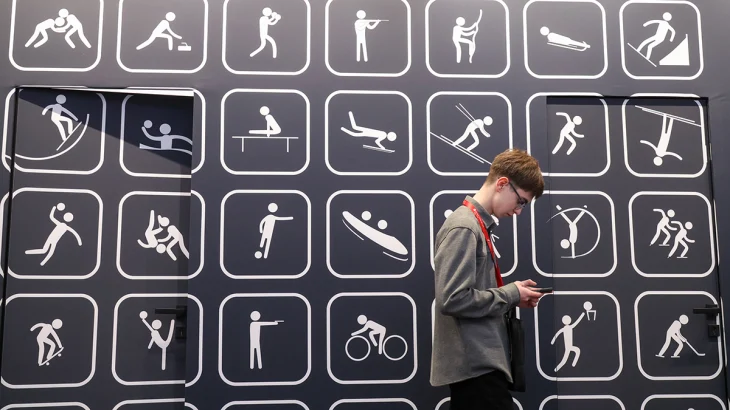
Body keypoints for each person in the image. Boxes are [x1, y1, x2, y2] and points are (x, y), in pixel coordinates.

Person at [431, 148, 546, 410]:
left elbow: (467, 295)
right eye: (521, 201)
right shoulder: (464, 226)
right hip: (476, 367)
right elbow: (453, 299)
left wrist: (514, 296)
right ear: (502, 184)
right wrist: (511, 294)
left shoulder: (473, 225)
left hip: (480, 366)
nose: (519, 211)